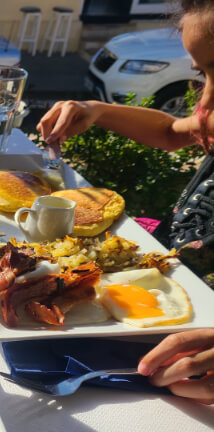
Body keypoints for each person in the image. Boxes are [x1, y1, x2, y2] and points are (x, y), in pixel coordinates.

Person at [38, 0, 214, 404]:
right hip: (156, 309)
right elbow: (172, 130)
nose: (205, 103)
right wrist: (95, 110)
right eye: (203, 73)